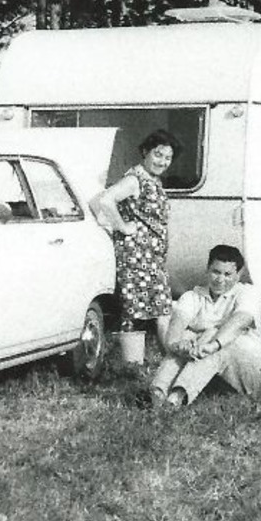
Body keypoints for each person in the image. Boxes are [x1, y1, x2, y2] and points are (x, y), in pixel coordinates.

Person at [91, 130, 179, 372]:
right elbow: (105, 200)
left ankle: (142, 366)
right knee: (150, 310)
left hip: (151, 257)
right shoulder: (135, 180)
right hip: (137, 256)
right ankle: (160, 365)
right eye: (158, 154)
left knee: (149, 309)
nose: (162, 161)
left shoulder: (153, 180)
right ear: (145, 152)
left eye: (167, 158)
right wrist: (122, 227)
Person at [148, 244, 261, 410]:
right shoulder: (193, 296)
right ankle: (158, 394)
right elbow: (177, 326)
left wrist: (211, 345)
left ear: (238, 275)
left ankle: (176, 397)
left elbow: (241, 320)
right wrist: (178, 345)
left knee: (212, 335)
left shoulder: (248, 293)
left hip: (244, 373)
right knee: (187, 339)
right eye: (216, 272)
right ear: (207, 270)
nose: (220, 279)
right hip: (206, 374)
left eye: (227, 274)